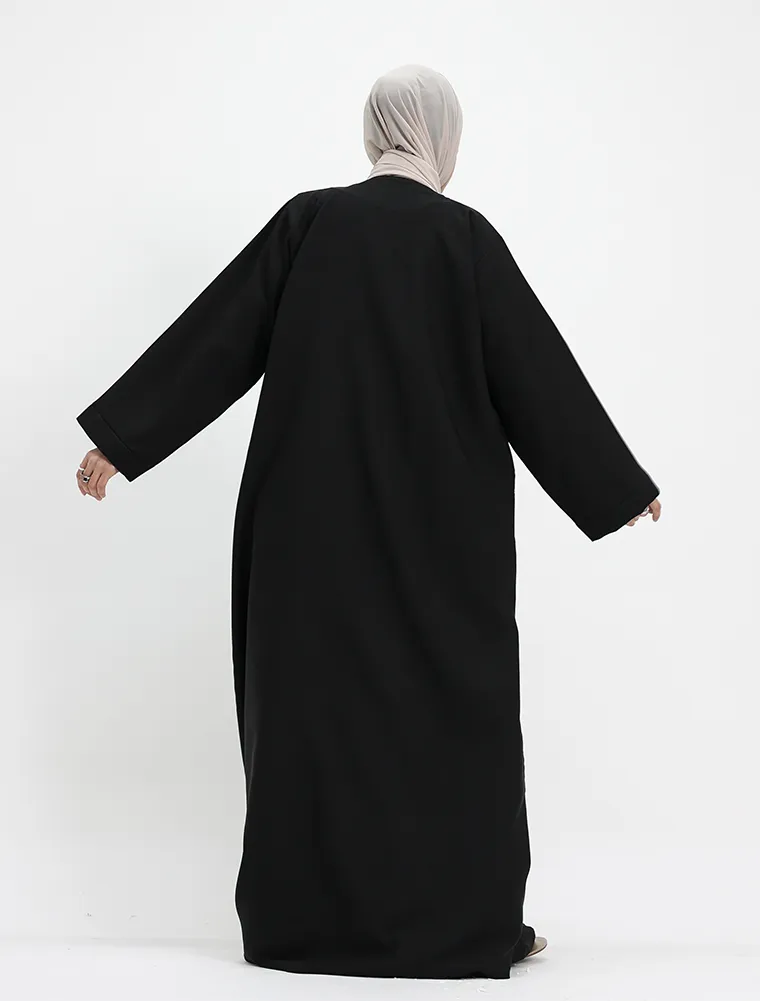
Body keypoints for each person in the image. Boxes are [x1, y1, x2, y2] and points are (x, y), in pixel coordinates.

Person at [75, 64, 661, 979]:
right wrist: (616, 487)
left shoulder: (310, 222)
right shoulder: (465, 240)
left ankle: (303, 929)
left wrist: (120, 440)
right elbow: (537, 375)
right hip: (444, 533)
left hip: (306, 529)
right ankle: (465, 927)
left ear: (374, 130)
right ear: (443, 136)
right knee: (453, 718)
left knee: (312, 717)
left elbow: (215, 339)